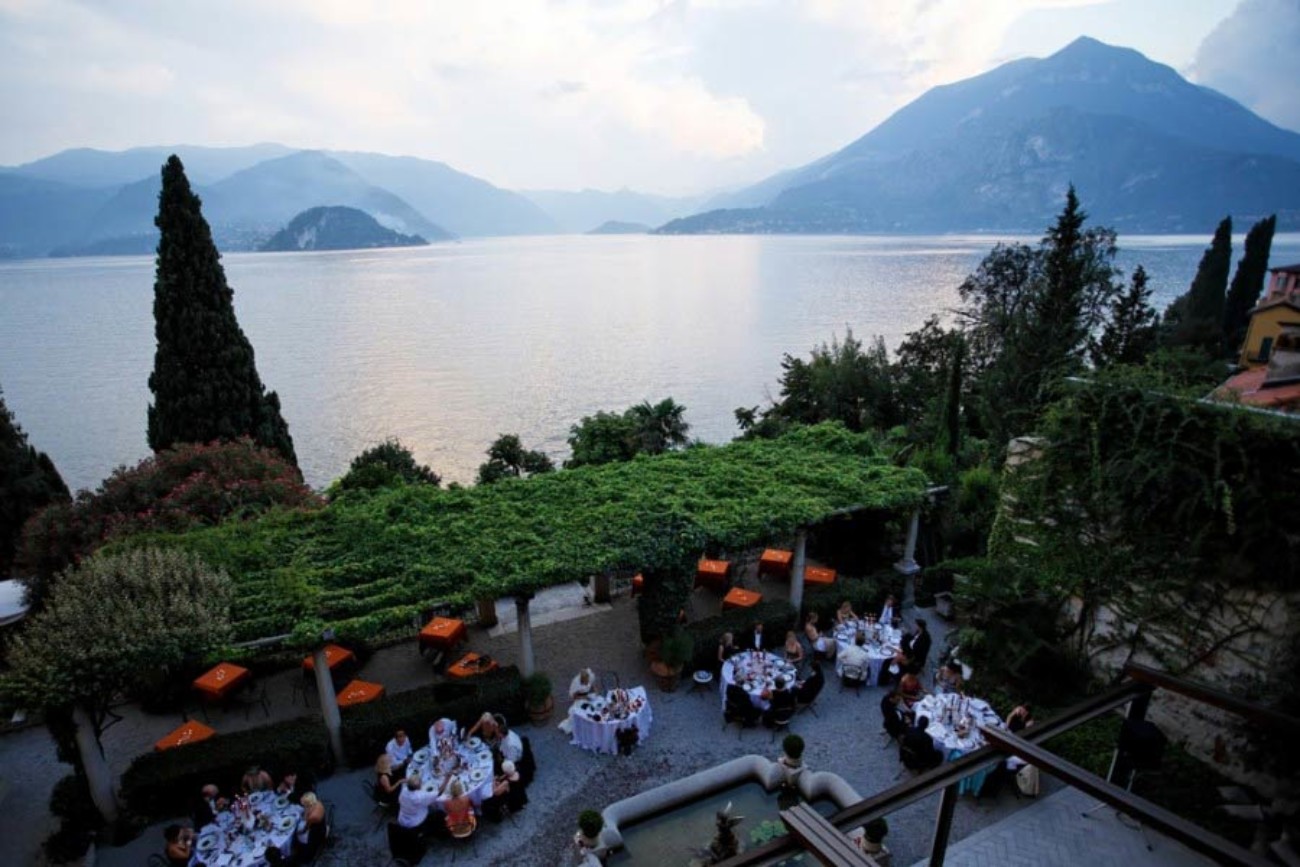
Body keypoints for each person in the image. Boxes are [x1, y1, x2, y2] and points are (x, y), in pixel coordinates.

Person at [293, 792, 328, 863]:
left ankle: (307, 856)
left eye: (304, 805)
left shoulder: (312, 817)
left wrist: (299, 832)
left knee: (300, 837)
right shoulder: (318, 803)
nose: (304, 807)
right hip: (320, 825)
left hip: (316, 831)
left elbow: (306, 828)